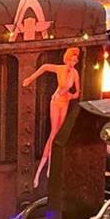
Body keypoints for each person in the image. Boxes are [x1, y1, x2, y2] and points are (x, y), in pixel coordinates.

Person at [22, 47, 80, 188]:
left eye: (74, 60)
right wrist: (30, 78)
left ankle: (50, 166)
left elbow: (77, 92)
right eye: (70, 60)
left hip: (65, 102)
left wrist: (71, 96)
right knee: (53, 132)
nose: (72, 63)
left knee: (58, 133)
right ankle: (41, 170)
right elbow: (45, 67)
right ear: (66, 59)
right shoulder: (60, 69)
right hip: (55, 101)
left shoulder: (75, 74)